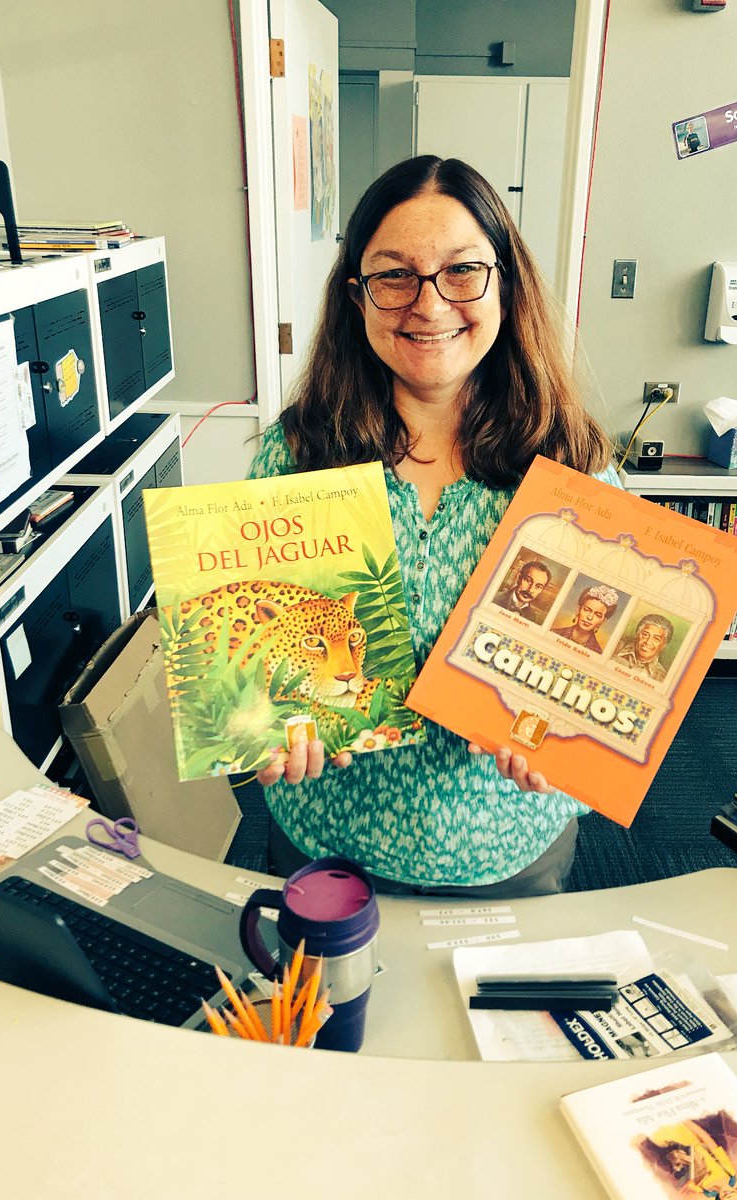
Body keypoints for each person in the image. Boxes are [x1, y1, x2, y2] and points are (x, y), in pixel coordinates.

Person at [249, 154, 621, 896]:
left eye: (461, 271)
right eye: (394, 275)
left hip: (508, 849)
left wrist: (568, 742)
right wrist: (263, 720)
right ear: (356, 295)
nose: (429, 304)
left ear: (505, 285)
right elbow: (259, 656)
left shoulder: (576, 474)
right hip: (325, 842)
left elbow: (609, 688)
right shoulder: (296, 457)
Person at [550, 584, 619, 653]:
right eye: (586, 610)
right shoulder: (553, 633)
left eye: (597, 615)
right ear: (578, 610)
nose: (589, 617)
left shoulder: (597, 652)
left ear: (603, 621)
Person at [613, 612, 674, 681]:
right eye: (645, 635)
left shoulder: (662, 678)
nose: (648, 642)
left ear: (663, 645)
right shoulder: (613, 649)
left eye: (656, 639)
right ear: (637, 635)